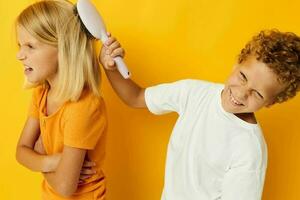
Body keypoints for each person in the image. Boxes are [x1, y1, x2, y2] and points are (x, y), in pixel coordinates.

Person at [99, 30, 300, 199]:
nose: (240, 93)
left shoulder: (249, 150)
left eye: (257, 93)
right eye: (242, 77)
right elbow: (136, 97)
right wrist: (110, 67)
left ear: (271, 102)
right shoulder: (193, 93)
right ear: (237, 63)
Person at [15, 0, 107, 199]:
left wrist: (39, 153)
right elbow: (21, 152)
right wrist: (54, 162)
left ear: (63, 48)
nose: (19, 55)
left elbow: (65, 186)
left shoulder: (82, 107)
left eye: (30, 46)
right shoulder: (41, 94)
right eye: (20, 45)